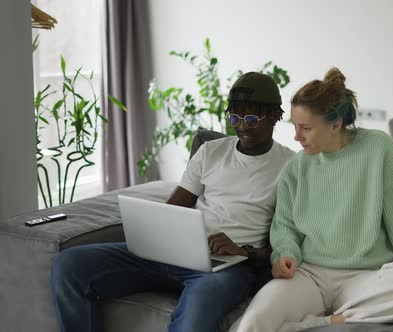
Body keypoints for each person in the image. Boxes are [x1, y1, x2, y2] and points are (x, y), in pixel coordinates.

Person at [50, 72, 295, 332]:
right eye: (235, 117)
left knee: (193, 321)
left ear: (273, 116)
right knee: (69, 264)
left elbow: (290, 244)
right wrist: (153, 231)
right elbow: (174, 207)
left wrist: (243, 251)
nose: (241, 126)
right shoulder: (211, 151)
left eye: (251, 118)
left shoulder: (291, 166)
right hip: (177, 251)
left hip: (228, 268)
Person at [231, 68, 393, 332]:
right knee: (250, 325)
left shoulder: (378, 148)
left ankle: (318, 323)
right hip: (309, 276)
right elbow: (285, 227)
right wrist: (285, 254)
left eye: (306, 128)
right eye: (295, 127)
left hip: (366, 278)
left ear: (335, 124)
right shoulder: (296, 166)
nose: (296, 137)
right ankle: (333, 321)